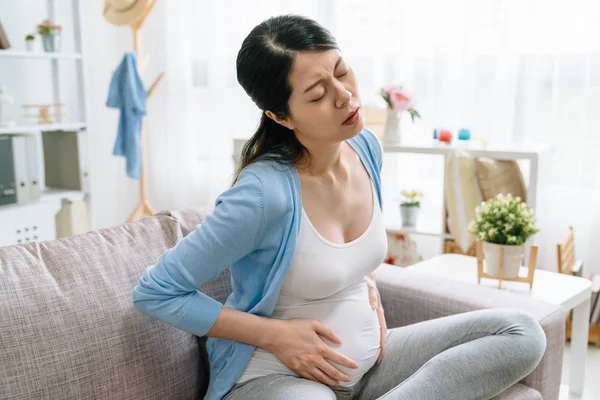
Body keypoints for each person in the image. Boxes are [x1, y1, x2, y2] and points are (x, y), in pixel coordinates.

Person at [133, 14, 547, 400]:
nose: (345, 95)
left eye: (341, 71)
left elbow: (339, 260)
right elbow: (156, 292)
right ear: (281, 117)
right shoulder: (262, 194)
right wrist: (274, 335)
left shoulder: (365, 148)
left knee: (521, 331)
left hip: (369, 367)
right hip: (276, 378)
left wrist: (366, 286)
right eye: (317, 94)